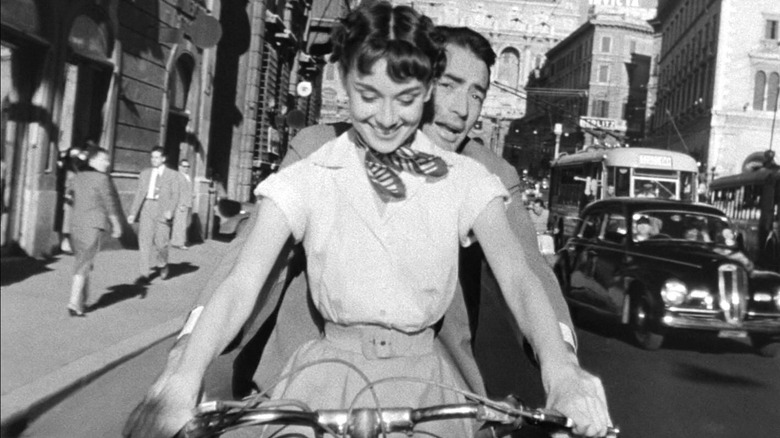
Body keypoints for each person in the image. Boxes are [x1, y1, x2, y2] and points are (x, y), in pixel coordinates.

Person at [124, 3, 610, 438]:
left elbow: (522, 278)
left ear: (423, 93)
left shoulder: (470, 178)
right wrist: (183, 373)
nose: (385, 117)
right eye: (368, 94)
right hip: (320, 378)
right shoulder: (313, 168)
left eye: (405, 98)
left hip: (427, 389)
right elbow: (240, 279)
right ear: (342, 83)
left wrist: (563, 372)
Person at [67, 146, 123, 316]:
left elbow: (70, 198)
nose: (107, 163)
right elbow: (109, 204)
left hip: (76, 224)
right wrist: (116, 225)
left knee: (83, 262)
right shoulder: (102, 179)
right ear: (92, 161)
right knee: (84, 263)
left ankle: (81, 303)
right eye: (103, 159)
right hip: (93, 225)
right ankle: (73, 302)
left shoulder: (77, 177)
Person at [127, 147, 180, 284]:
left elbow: (175, 195)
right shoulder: (145, 174)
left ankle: (162, 264)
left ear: (163, 159)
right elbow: (139, 194)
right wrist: (133, 213)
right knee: (144, 241)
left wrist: (171, 210)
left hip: (163, 209)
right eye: (152, 157)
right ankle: (144, 274)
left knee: (161, 243)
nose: (153, 160)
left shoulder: (172, 175)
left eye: (157, 157)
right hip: (147, 208)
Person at [172, 159, 193, 249]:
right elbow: (177, 191)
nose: (186, 168)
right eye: (184, 166)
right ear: (179, 167)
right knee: (180, 223)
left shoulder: (187, 176)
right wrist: (180, 204)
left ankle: (178, 241)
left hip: (187, 203)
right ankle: (179, 243)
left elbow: (186, 190)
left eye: (188, 166)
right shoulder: (178, 176)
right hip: (182, 204)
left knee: (183, 223)